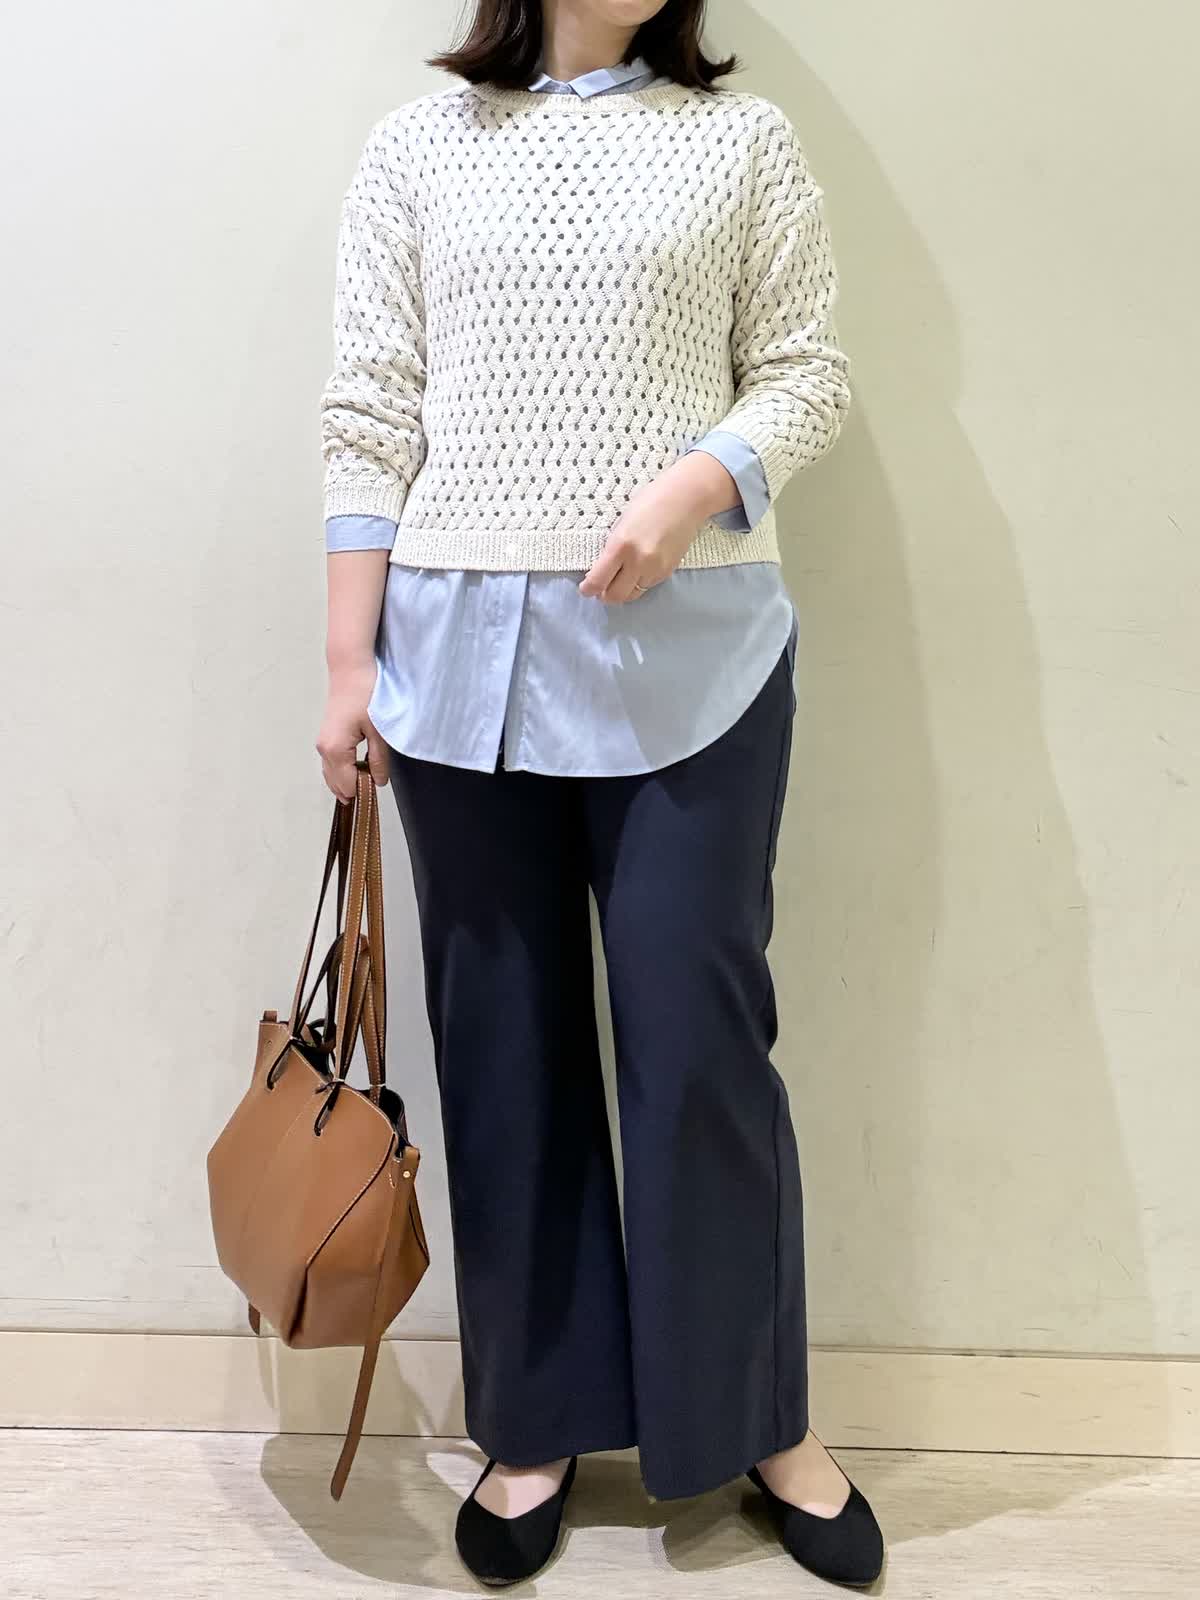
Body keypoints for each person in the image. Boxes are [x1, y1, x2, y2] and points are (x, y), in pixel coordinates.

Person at [315, 0, 884, 1587]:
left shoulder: (741, 143)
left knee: (703, 1043)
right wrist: (349, 663)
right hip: (456, 670)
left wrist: (696, 486)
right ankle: (537, 1417)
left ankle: (757, 1419)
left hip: (693, 663)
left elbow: (808, 374)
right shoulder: (418, 149)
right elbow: (369, 408)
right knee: (503, 1050)